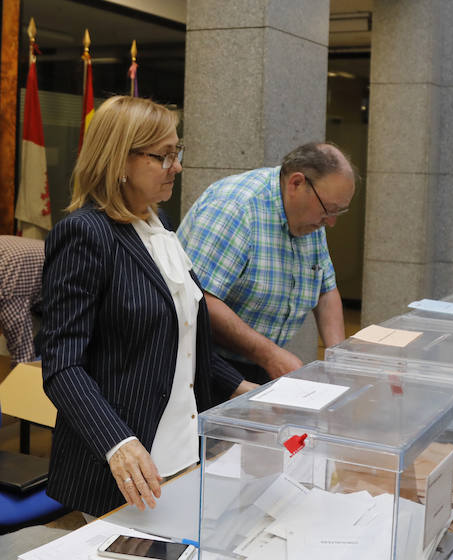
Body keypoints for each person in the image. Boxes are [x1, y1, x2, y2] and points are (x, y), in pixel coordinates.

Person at [40, 96, 255, 518]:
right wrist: (117, 443)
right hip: (123, 464)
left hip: (183, 448)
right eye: (164, 156)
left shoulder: (160, 229)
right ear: (120, 161)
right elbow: (62, 365)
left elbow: (180, 341)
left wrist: (243, 389)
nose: (177, 166)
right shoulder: (85, 235)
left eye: (178, 152)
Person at [177, 142, 355, 385]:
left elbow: (326, 288)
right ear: (296, 183)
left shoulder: (312, 216)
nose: (331, 222)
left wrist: (338, 359)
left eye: (339, 212)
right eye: (328, 210)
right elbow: (200, 298)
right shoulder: (236, 206)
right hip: (203, 363)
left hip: (258, 359)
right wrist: (270, 354)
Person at [0, 235, 44, 365]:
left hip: (70, 288)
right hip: (34, 279)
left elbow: (23, 355)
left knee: (34, 362)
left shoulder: (7, 290)